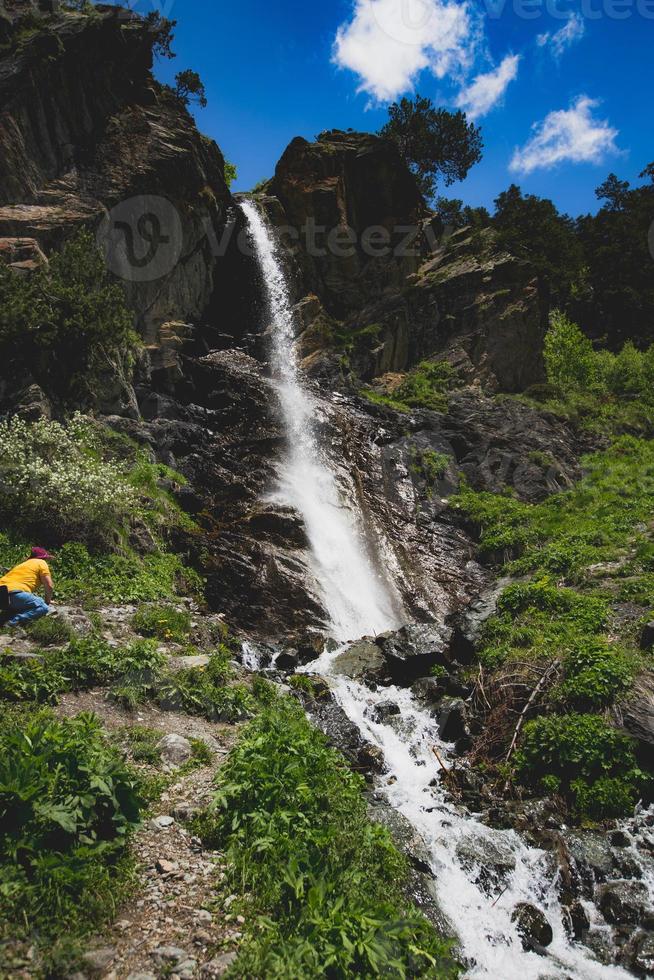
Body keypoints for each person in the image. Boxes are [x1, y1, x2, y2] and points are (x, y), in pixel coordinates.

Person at [0, 547, 55, 628]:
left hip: (3, 590)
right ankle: (12, 622)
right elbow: (49, 585)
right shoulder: (41, 562)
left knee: (20, 605)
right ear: (43, 558)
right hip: (14, 593)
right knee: (43, 607)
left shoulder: (22, 564)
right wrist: (48, 601)